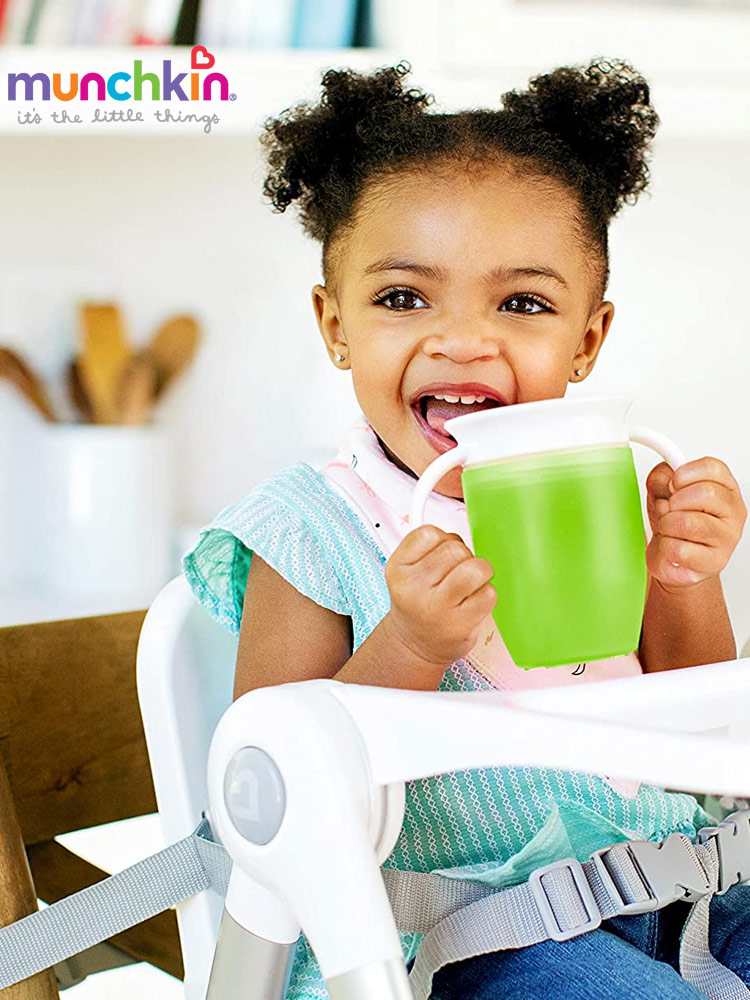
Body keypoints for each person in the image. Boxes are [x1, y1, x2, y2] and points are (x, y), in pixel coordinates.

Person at [183, 58, 748, 999]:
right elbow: (278, 783)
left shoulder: (604, 497)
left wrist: (684, 571)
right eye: (404, 298)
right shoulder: (310, 528)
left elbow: (706, 730)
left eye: (522, 303)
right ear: (335, 326)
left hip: (687, 894)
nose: (462, 340)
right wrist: (409, 644)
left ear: (587, 341)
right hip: (465, 941)